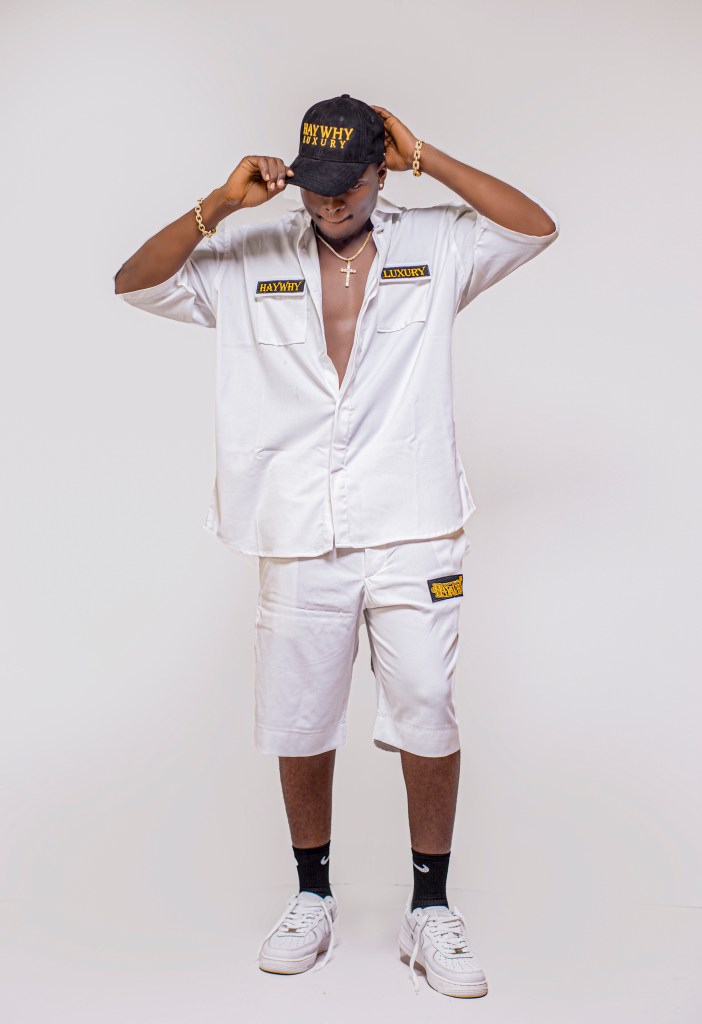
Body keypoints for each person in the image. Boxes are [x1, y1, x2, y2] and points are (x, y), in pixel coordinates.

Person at [114, 93, 559, 998]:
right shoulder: (251, 253)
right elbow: (136, 282)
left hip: (414, 523)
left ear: (380, 171)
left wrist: (429, 156)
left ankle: (430, 908)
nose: (330, 202)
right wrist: (219, 205)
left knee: (427, 704)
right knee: (302, 715)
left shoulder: (435, 242)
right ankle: (311, 894)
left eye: (348, 184)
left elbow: (534, 227)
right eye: (315, 186)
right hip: (297, 526)